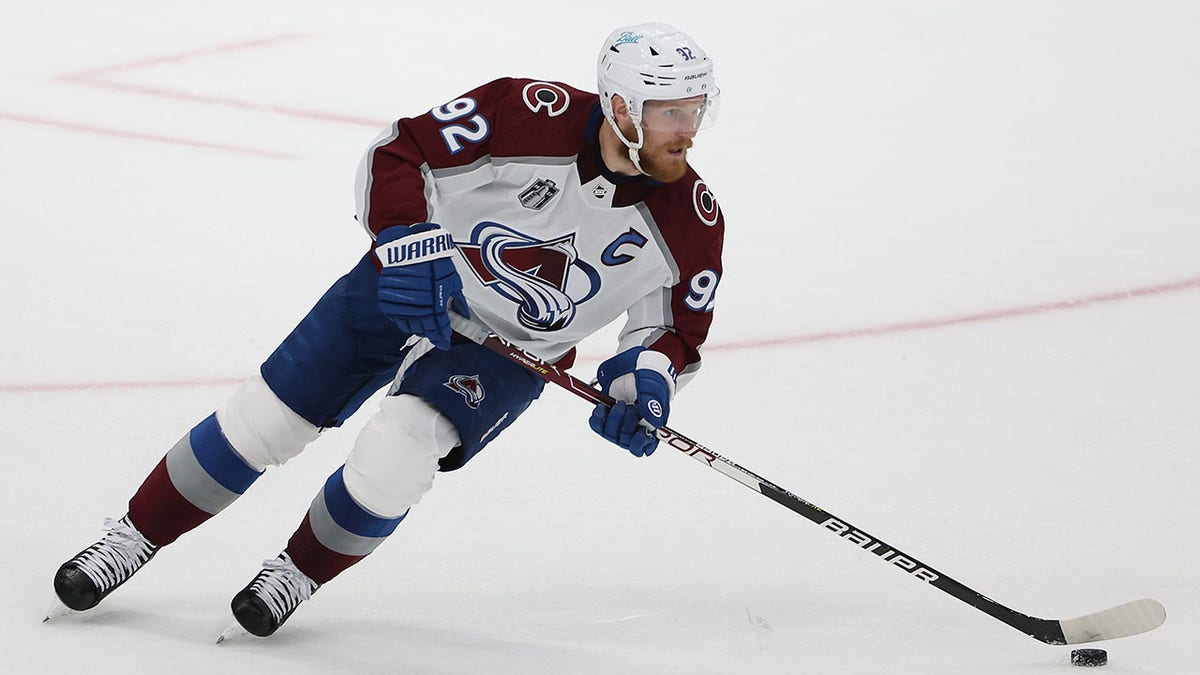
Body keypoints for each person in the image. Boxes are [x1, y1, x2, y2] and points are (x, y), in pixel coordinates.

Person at [50, 21, 725, 639]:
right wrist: (407, 245)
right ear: (618, 106)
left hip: (509, 355)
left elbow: (673, 332)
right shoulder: (526, 112)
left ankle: (297, 571)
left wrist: (647, 381)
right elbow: (401, 154)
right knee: (265, 421)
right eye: (670, 111)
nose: (686, 129)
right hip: (409, 283)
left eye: (693, 110)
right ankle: (133, 537)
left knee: (396, 456)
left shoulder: (693, 222)